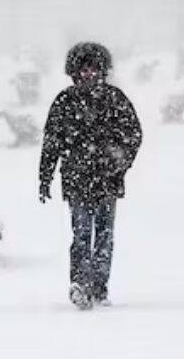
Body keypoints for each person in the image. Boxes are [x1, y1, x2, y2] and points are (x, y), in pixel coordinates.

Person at [38, 42, 143, 309]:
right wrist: (45, 176)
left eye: (93, 69)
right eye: (83, 69)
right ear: (74, 71)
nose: (88, 74)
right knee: (82, 234)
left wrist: (120, 161)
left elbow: (134, 134)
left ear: (102, 70)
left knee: (104, 235)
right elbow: (51, 142)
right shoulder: (64, 102)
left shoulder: (115, 99)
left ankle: (99, 287)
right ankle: (80, 284)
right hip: (77, 179)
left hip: (107, 179)